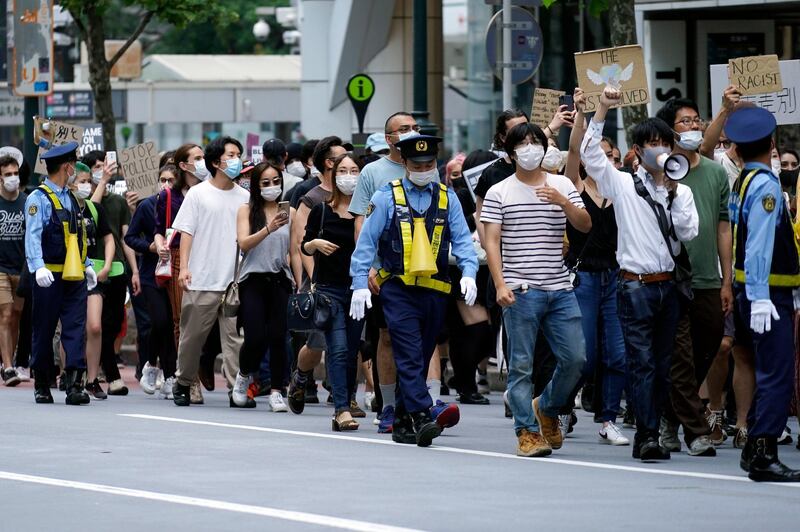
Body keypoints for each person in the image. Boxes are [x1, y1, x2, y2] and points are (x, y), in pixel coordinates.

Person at [581, 86, 699, 461]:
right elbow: (588, 156)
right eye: (649, 143)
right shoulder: (622, 183)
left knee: (663, 366)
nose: (657, 150)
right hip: (634, 286)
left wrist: (674, 192)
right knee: (642, 361)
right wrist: (601, 109)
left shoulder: (681, 191)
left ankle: (655, 428)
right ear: (637, 150)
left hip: (668, 287)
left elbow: (689, 233)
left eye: (662, 143)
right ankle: (646, 435)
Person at [349, 134, 478, 447]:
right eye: (417, 164)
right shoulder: (385, 196)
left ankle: (405, 423)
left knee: (420, 355)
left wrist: (470, 273)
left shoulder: (448, 197)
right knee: (407, 350)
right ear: (404, 163)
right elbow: (366, 242)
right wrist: (358, 283)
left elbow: (462, 240)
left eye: (430, 164)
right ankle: (424, 413)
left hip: (435, 289)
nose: (424, 168)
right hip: (398, 288)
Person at [481, 121, 590, 457]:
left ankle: (548, 406)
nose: (531, 149)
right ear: (511, 152)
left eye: (536, 142)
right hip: (520, 289)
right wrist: (500, 284)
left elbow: (585, 224)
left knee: (576, 359)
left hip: (559, 287)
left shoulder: (561, 184)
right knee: (521, 366)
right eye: (523, 143)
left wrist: (563, 201)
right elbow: (492, 241)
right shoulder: (500, 191)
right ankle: (527, 432)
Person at [655, 97, 732, 457]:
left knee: (710, 344)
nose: (692, 126)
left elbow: (722, 228)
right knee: (680, 356)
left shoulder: (716, 173)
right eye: (684, 122)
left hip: (708, 278)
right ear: (670, 130)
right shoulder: (663, 170)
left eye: (696, 120)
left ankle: (671, 415)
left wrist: (727, 278)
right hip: (671, 278)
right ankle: (695, 429)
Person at [726, 107, 800, 482]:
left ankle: (755, 443)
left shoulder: (742, 180)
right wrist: (759, 296)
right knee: (777, 373)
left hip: (750, 290)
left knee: (765, 369)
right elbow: (757, 245)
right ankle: (763, 454)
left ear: (736, 150)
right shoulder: (767, 185)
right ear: (771, 145)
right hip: (767, 294)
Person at [561, 91, 629, 446]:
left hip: (615, 278)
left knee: (617, 354)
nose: (608, 162)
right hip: (583, 277)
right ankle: (561, 409)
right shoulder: (573, 185)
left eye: (613, 157)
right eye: (601, 156)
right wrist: (587, 111)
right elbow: (574, 150)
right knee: (583, 356)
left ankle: (608, 419)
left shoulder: (623, 191)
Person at [348, 112, 420, 432]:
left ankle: (421, 401)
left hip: (423, 271)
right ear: (389, 138)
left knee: (422, 337)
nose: (411, 133)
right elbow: (362, 224)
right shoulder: (373, 172)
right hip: (385, 272)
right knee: (387, 337)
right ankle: (388, 404)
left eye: (414, 128)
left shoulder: (425, 167)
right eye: (404, 129)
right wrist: (366, 270)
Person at [171, 136, 250, 406]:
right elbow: (186, 234)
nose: (237, 159)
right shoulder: (198, 194)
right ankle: (182, 382)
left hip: (233, 282)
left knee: (235, 341)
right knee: (192, 338)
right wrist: (184, 269)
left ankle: (235, 389)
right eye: (231, 154)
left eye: (238, 153)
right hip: (201, 278)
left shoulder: (245, 197)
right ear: (216, 162)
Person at [25, 142, 98, 404]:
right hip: (49, 276)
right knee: (44, 329)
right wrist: (38, 267)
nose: (74, 171)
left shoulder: (71, 197)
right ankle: (42, 382)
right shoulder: (38, 199)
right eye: (73, 165)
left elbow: (76, 236)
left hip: (74, 277)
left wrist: (87, 264)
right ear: (66, 167)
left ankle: (74, 384)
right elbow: (32, 237)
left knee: (75, 329)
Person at [302, 153, 364, 430]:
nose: (349, 176)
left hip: (359, 290)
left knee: (351, 351)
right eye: (344, 171)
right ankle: (341, 410)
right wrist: (315, 243)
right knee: (337, 349)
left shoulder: (368, 212)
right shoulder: (321, 210)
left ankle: (347, 399)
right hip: (329, 290)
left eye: (354, 170)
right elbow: (304, 245)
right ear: (333, 175)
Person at [287, 136, 347, 413]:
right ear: (328, 163)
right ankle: (300, 376)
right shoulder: (311, 197)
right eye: (340, 161)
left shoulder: (358, 197)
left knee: (348, 342)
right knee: (317, 344)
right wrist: (313, 282)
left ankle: (343, 396)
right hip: (323, 282)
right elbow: (302, 243)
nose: (348, 169)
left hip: (350, 280)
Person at [231, 162, 292, 411]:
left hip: (281, 279)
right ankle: (244, 375)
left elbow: (296, 250)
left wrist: (297, 278)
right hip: (253, 279)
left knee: (279, 338)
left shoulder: (290, 211)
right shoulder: (246, 210)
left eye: (276, 181)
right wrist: (269, 228)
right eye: (265, 183)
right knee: (255, 336)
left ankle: (277, 390)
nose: (272, 187)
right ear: (256, 186)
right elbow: (244, 243)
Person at [154, 143, 211, 402]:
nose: (203, 162)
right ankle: (189, 379)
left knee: (217, 319)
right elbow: (158, 228)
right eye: (197, 158)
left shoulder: (212, 191)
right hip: (179, 258)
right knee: (183, 321)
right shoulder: (169, 196)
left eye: (204, 157)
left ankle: (205, 363)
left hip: (210, 257)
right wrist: (159, 244)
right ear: (183, 165)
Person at [85, 150, 137, 396]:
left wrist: (134, 270)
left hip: (117, 270)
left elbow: (125, 238)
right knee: (98, 325)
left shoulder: (118, 202)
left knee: (115, 323)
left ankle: (102, 368)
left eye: (103, 166)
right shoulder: (81, 200)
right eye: (95, 167)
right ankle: (110, 375)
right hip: (90, 272)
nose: (101, 170)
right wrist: (102, 182)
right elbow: (89, 215)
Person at [126, 165, 177, 397]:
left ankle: (169, 375)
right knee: (160, 322)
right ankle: (151, 366)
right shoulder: (148, 205)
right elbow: (130, 237)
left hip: (176, 273)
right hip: (151, 274)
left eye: (171, 180)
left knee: (171, 327)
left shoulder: (183, 205)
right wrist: (150, 247)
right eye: (162, 180)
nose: (166, 185)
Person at [68, 163, 114, 400]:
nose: (86, 185)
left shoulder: (94, 209)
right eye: (82, 181)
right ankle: (69, 375)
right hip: (67, 274)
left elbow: (108, 239)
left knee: (94, 326)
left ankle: (92, 379)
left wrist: (106, 266)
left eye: (88, 181)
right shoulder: (62, 207)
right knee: (71, 327)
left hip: (91, 276)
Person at [0, 155, 26, 387]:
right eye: (8, 174)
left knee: (16, 317)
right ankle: (8, 367)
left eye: (15, 174)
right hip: (0, 269)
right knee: (6, 315)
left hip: (21, 268)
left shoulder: (27, 202)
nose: (12, 178)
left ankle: (8, 359)